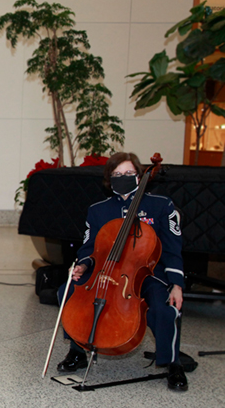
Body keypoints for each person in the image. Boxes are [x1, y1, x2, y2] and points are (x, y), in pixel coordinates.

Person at [56, 152, 188, 391]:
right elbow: (89, 247)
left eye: (128, 173)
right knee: (67, 290)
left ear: (139, 176)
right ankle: (78, 350)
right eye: (117, 174)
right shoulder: (98, 210)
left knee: (164, 307)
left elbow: (172, 248)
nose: (123, 177)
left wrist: (176, 284)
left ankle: (173, 363)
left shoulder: (161, 205)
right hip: (105, 270)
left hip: (147, 273)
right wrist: (82, 265)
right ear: (109, 179)